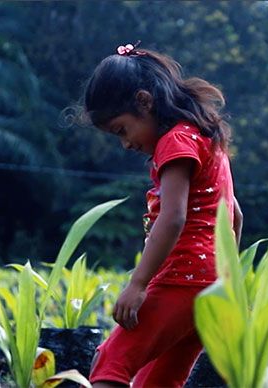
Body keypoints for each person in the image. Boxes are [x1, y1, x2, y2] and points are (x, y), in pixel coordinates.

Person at [81, 41, 243, 387]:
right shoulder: (206, 140)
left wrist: (138, 284)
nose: (124, 144)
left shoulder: (175, 141)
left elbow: (173, 217)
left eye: (122, 130)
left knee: (111, 362)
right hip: (210, 292)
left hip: (181, 279)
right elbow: (235, 216)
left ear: (144, 101)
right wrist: (225, 280)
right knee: (157, 381)